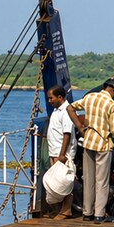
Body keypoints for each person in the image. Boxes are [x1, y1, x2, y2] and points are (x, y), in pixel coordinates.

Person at [67, 79, 114, 223]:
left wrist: (80, 127)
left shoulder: (90, 97)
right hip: (103, 145)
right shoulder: (111, 104)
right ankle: (99, 214)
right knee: (101, 181)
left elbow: (70, 108)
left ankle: (87, 213)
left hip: (88, 143)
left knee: (88, 179)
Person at [44, 85, 76, 218]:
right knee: (55, 182)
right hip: (54, 151)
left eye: (51, 98)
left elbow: (67, 134)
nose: (49, 101)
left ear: (60, 97)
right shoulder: (57, 111)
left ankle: (66, 210)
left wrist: (62, 154)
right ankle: (58, 208)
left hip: (62, 153)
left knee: (64, 181)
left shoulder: (66, 112)